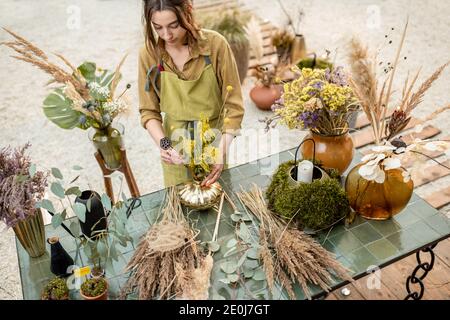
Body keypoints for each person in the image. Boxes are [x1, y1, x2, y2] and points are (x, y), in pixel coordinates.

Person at [138, 0, 244, 188]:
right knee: (180, 205)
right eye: (158, 27)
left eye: (174, 25)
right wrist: (164, 146)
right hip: (175, 145)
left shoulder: (215, 45)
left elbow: (234, 108)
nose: (167, 35)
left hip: (213, 140)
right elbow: (148, 111)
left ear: (188, 13)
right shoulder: (149, 53)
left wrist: (221, 151)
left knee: (217, 200)